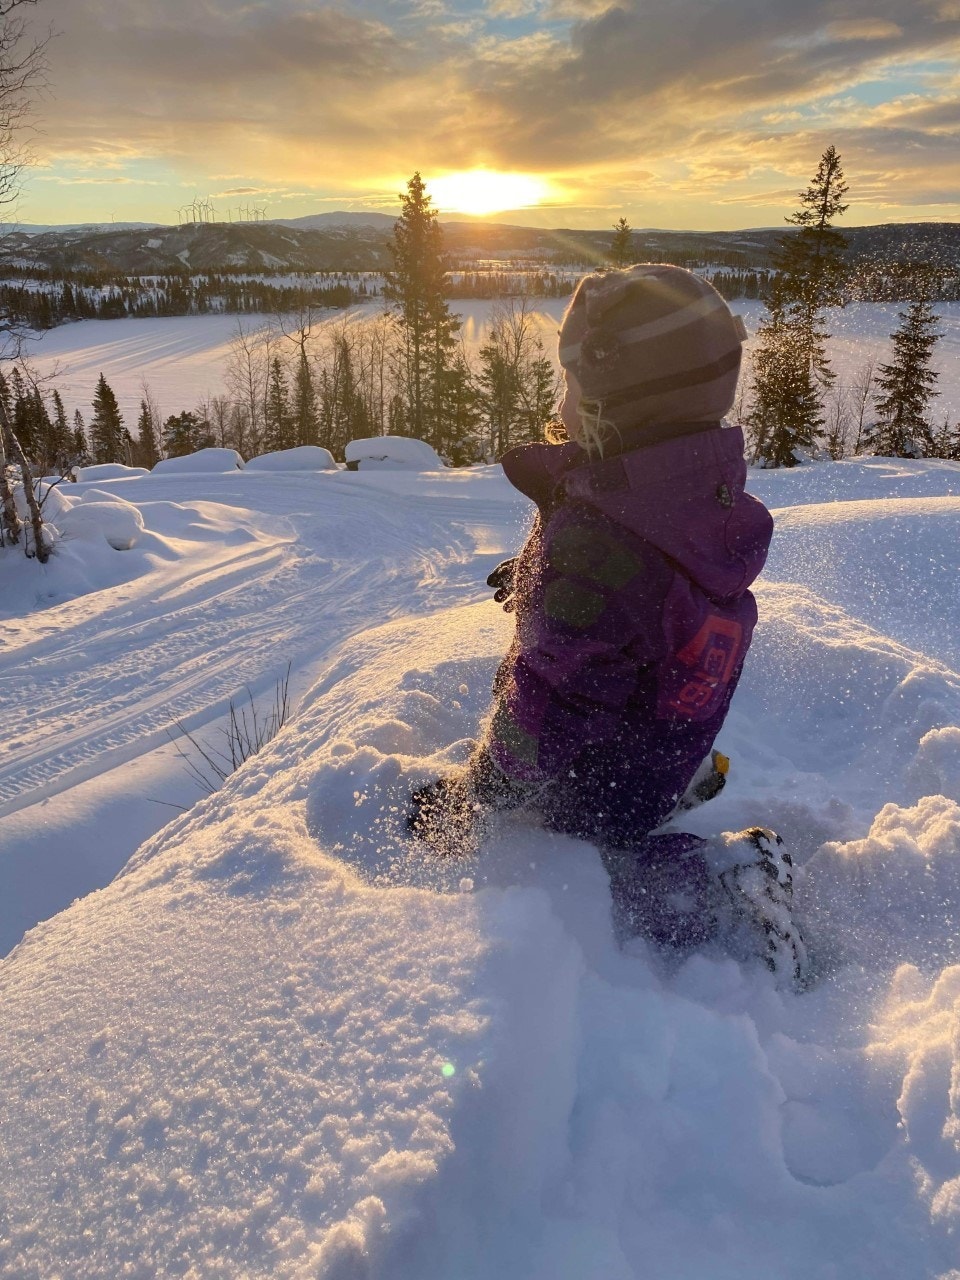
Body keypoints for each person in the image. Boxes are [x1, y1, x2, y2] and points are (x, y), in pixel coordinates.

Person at [409, 264, 808, 986]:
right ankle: (678, 790)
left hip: (607, 777)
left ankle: (725, 883)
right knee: (622, 784)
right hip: (675, 733)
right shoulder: (692, 485)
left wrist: (478, 794)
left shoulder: (594, 549)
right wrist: (540, 577)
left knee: (582, 853)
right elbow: (640, 592)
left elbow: (549, 707)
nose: (561, 394)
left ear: (616, 396)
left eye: (572, 379)